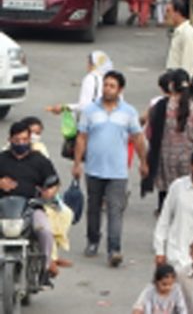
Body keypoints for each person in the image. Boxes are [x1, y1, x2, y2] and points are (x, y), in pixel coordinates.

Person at [72, 70, 147, 267]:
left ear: (120, 89)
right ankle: (93, 241)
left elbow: (138, 138)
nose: (107, 89)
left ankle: (114, 249)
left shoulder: (128, 112)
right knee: (94, 208)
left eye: (112, 86)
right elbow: (82, 138)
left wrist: (143, 162)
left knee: (115, 210)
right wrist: (77, 163)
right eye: (105, 85)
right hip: (94, 169)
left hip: (117, 172)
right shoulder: (90, 110)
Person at [0, 120, 61, 278]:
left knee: (44, 230)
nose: (21, 143)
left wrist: (50, 192)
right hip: (4, 208)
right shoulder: (2, 158)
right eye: (17, 140)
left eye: (25, 140)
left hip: (30, 207)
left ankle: (46, 266)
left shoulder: (39, 160)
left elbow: (54, 182)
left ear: (30, 140)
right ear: (10, 140)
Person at [143, 70, 193, 211]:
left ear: (171, 85)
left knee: (167, 199)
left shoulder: (162, 106)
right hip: (188, 161)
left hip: (166, 160)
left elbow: (150, 134)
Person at [165, 1, 193, 78]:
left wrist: (183, 82)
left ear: (177, 13)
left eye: (168, 11)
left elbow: (188, 61)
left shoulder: (188, 33)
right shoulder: (179, 31)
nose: (166, 15)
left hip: (179, 80)